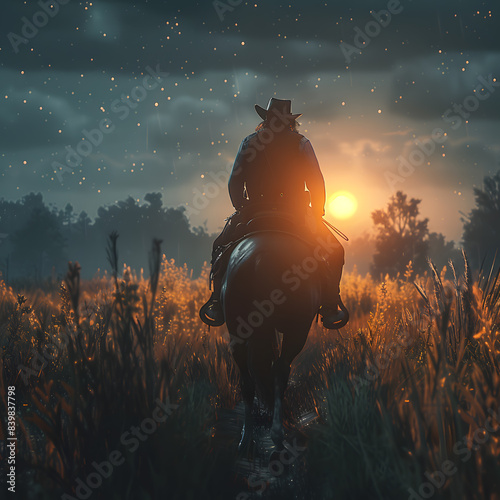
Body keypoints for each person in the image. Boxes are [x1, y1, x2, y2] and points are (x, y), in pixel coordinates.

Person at [199, 98, 345, 329]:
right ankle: (329, 305)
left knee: (219, 246)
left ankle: (216, 302)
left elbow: (234, 182)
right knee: (335, 250)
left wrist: (241, 207)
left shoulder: (249, 142)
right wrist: (317, 212)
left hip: (254, 209)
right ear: (290, 122)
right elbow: (316, 182)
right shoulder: (301, 143)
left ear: (266, 119)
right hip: (295, 212)